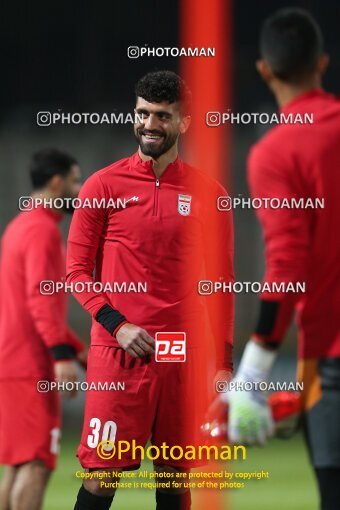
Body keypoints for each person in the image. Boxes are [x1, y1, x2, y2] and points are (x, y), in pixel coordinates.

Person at [67, 70, 234, 510]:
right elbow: (77, 272)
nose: (150, 124)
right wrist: (117, 325)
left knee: (174, 477)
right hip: (117, 349)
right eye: (142, 113)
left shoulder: (209, 194)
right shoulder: (102, 186)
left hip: (181, 353)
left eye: (162, 116)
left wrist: (224, 363)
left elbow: (221, 287)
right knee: (101, 477)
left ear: (185, 123)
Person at [224, 8, 340, 510]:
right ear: (323, 62)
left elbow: (287, 266)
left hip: (331, 358)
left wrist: (253, 372)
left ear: (265, 71)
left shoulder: (276, 152)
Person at [0, 148, 87, 510]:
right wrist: (61, 355)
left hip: (13, 361)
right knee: (36, 465)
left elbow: (30, 304)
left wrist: (77, 350)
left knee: (20, 464)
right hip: (32, 364)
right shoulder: (42, 231)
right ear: (56, 182)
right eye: (75, 180)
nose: (79, 189)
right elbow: (39, 299)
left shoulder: (20, 226)